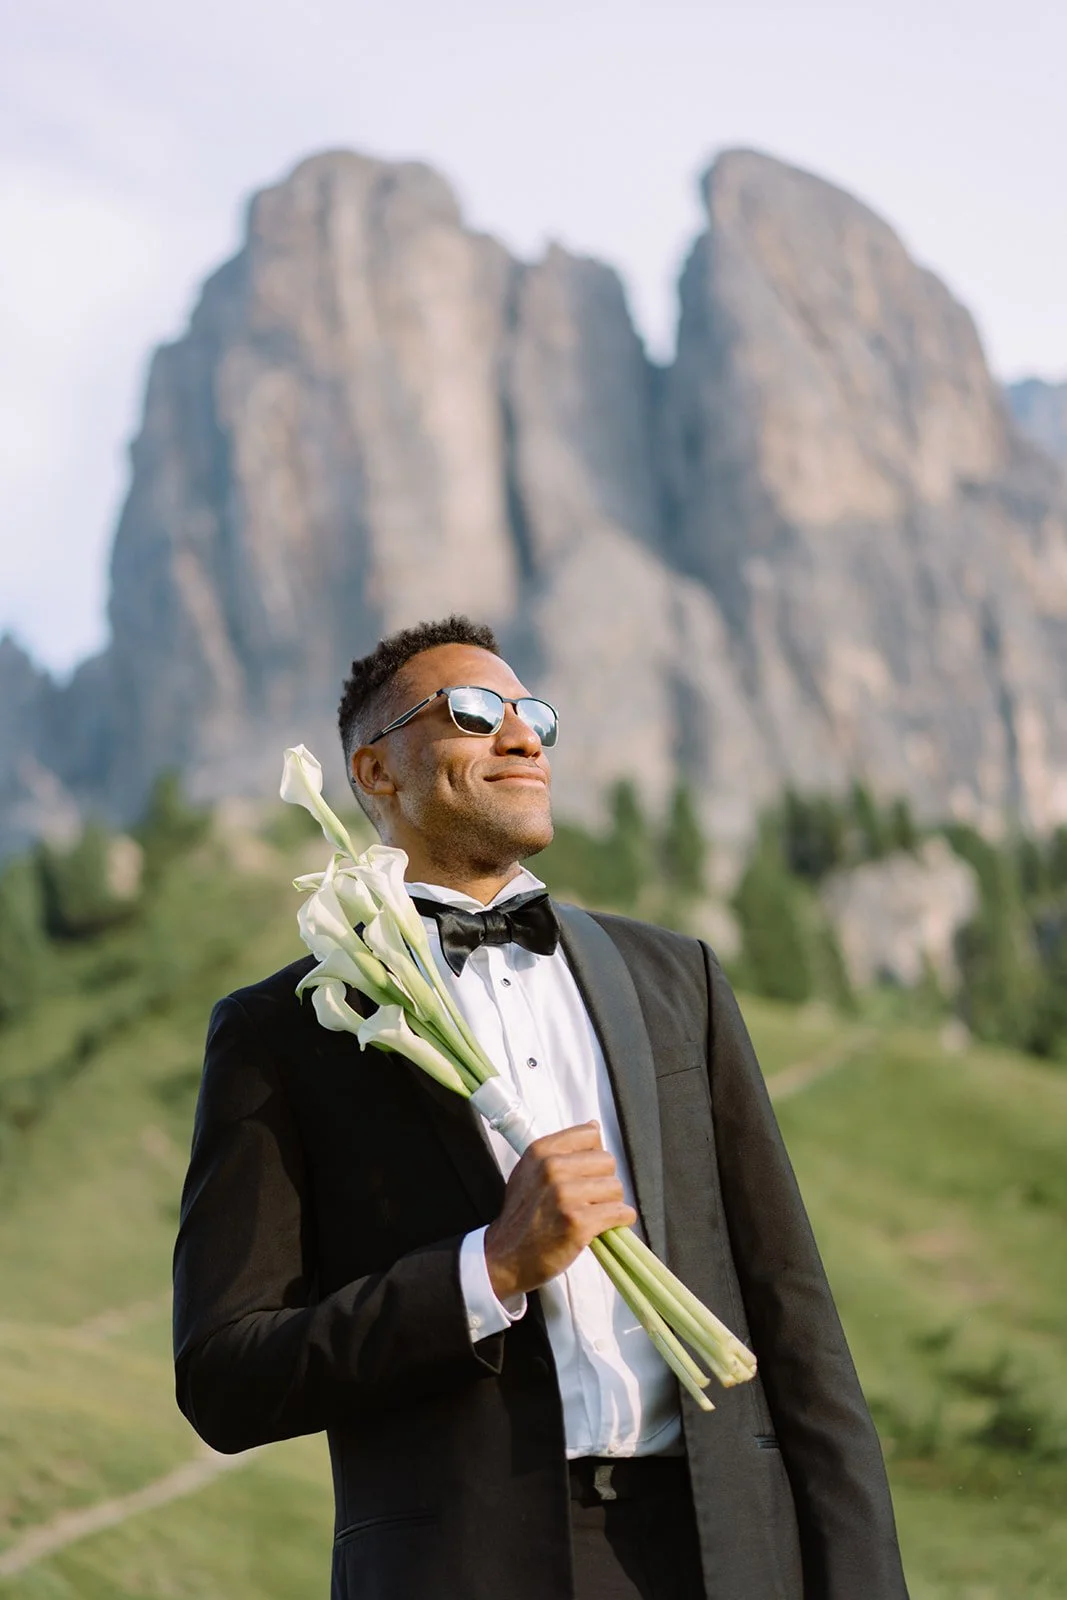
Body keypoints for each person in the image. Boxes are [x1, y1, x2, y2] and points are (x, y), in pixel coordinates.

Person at [172, 615, 910, 1600]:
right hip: (459, 1570)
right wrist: (485, 1269)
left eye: (534, 716)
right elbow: (226, 1374)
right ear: (375, 771)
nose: (521, 737)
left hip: (727, 1558)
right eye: (474, 713)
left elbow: (792, 1309)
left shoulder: (678, 980)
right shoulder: (282, 1029)